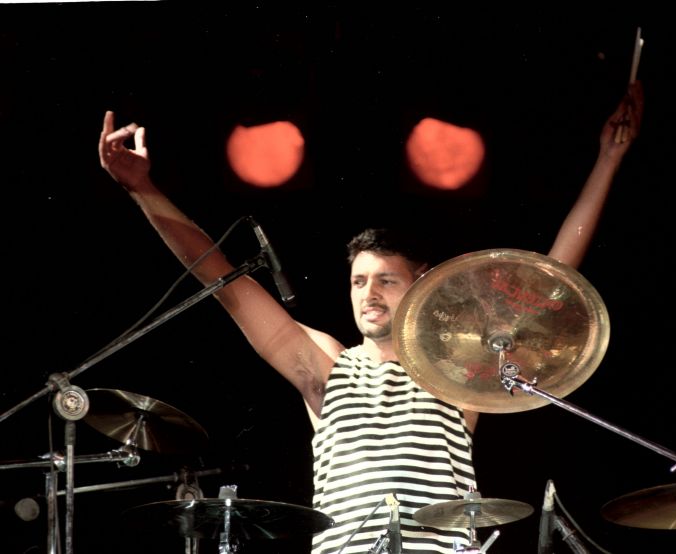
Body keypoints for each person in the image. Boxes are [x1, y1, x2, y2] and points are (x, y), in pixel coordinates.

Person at [98, 81, 643, 554]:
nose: (370, 293)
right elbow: (222, 280)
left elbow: (548, 282)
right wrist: (143, 189)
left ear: (420, 287)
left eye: (387, 280)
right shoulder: (325, 363)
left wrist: (608, 161)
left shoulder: (455, 368)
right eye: (359, 281)